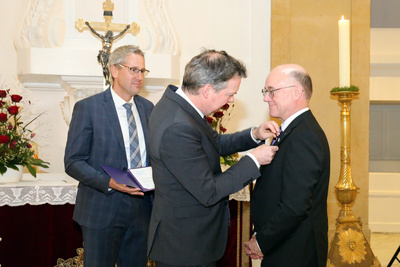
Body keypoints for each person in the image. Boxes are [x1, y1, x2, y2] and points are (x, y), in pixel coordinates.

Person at [147, 49, 280, 267]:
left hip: (190, 239)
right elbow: (208, 191)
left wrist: (254, 135)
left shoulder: (181, 107)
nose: (232, 100)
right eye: (229, 94)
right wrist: (253, 161)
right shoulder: (178, 126)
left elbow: (213, 144)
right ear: (207, 89)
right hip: (184, 246)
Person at [64, 45, 153, 267]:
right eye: (133, 70)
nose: (139, 77)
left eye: (142, 71)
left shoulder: (148, 108)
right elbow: (73, 161)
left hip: (143, 210)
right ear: (114, 70)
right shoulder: (89, 108)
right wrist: (110, 182)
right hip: (102, 207)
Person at [245, 64, 330, 267]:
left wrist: (262, 241)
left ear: (297, 91)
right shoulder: (294, 130)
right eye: (266, 92)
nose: (266, 98)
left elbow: (295, 206)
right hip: (285, 245)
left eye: (271, 91)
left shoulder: (304, 136)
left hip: (296, 251)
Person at [85, 21, 131, 85]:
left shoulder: (111, 39)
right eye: (109, 34)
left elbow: (120, 34)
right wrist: (88, 26)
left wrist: (126, 29)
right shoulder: (103, 38)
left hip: (109, 55)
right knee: (104, 67)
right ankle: (106, 79)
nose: (110, 35)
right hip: (103, 54)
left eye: (111, 34)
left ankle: (108, 79)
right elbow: (95, 32)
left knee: (109, 68)